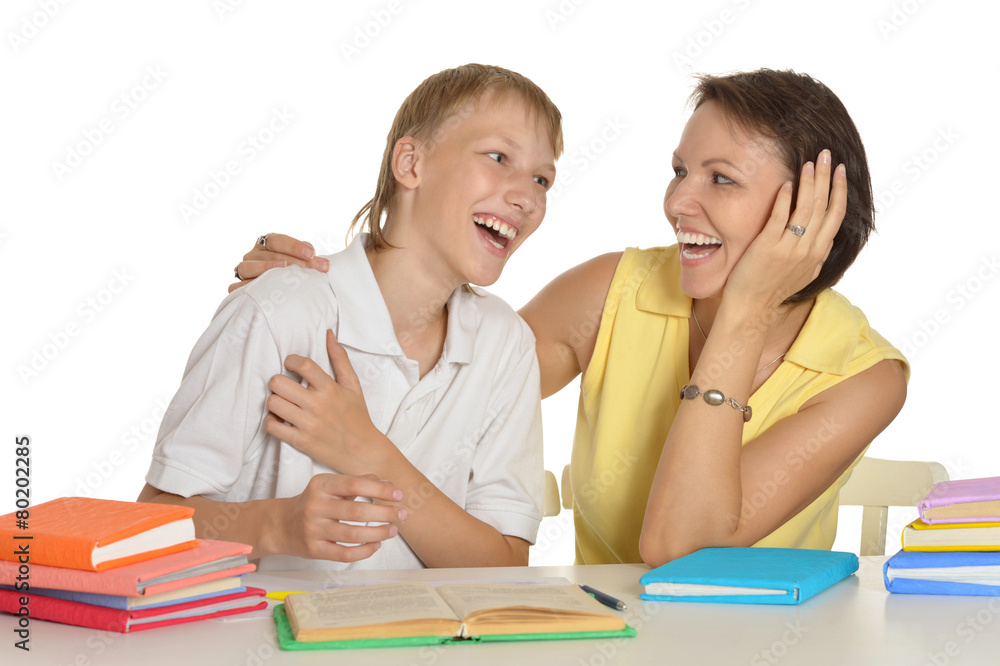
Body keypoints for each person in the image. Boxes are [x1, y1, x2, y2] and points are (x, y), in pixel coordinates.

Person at [231, 69, 908, 568]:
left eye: (720, 178)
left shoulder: (866, 378)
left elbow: (680, 548)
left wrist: (746, 313)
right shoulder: (615, 291)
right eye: (680, 171)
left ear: (811, 213)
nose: (677, 202)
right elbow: (431, 385)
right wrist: (322, 292)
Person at [139, 63, 563, 571]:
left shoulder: (505, 343)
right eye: (498, 157)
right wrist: (276, 525)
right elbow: (149, 525)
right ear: (411, 164)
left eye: (542, 179)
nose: (528, 197)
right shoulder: (281, 310)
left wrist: (371, 453)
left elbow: (504, 566)